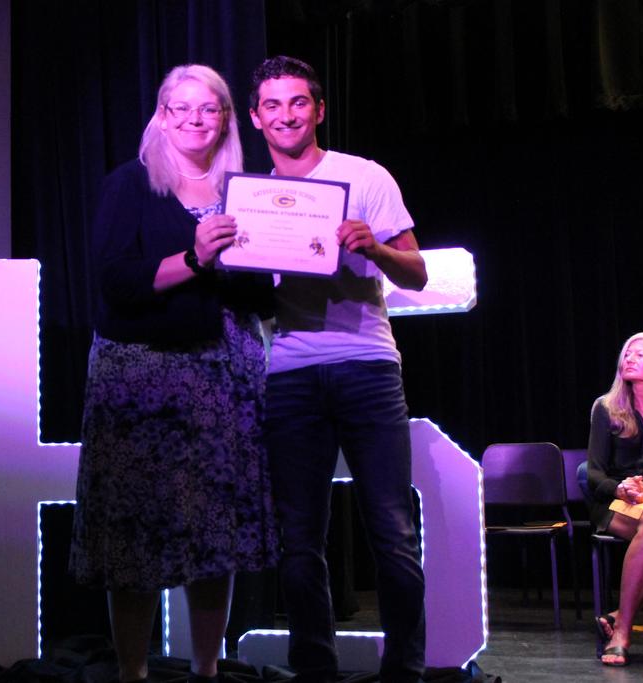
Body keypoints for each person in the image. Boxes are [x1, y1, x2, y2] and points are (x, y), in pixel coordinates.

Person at [69, 64, 279, 683]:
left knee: (215, 534)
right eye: (180, 108)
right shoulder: (130, 184)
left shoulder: (247, 192)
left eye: (208, 108)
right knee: (132, 534)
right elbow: (116, 280)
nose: (194, 119)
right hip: (139, 379)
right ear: (161, 117)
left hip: (224, 379)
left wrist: (291, 261)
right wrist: (196, 257)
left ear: (226, 120)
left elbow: (260, 296)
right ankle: (132, 673)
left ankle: (206, 670)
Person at [248, 56, 428, 683]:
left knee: (393, 531)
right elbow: (249, 298)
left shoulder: (364, 176)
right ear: (256, 118)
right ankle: (314, 671)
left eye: (298, 102)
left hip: (367, 366)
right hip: (290, 373)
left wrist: (373, 245)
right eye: (272, 105)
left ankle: (404, 670)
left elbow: (417, 273)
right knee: (299, 540)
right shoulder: (252, 199)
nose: (286, 115)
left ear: (319, 110)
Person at [586, 331, 643, 667]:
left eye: (640, 354)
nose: (629, 358)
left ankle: (619, 618)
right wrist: (620, 489)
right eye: (627, 354)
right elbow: (593, 472)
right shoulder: (607, 408)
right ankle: (622, 633)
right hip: (614, 501)